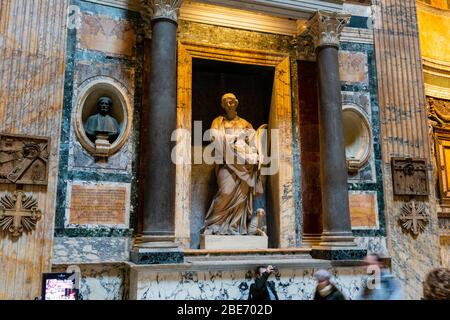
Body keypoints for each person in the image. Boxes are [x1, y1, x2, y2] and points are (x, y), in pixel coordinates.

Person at [203, 93, 266, 235]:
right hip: (226, 163)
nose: (229, 104)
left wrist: (255, 155)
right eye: (226, 102)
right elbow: (215, 137)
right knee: (225, 191)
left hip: (245, 166)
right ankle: (214, 224)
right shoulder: (218, 122)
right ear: (223, 105)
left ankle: (235, 226)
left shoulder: (245, 124)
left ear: (236, 103)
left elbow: (254, 143)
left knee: (241, 197)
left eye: (232, 101)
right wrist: (235, 139)